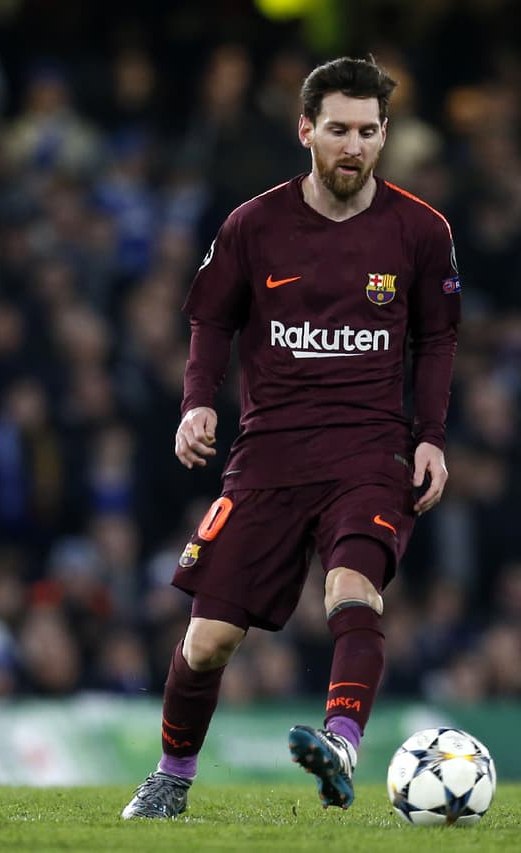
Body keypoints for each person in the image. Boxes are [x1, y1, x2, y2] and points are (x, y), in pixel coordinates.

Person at [121, 57, 461, 819]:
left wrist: (431, 436)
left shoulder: (421, 230)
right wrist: (196, 404)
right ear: (305, 129)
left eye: (368, 131)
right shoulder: (253, 224)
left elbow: (438, 339)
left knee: (352, 588)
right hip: (268, 451)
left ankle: (341, 741)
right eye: (338, 129)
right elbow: (212, 319)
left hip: (371, 449)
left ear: (384, 135)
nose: (353, 146)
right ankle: (172, 776)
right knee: (207, 640)